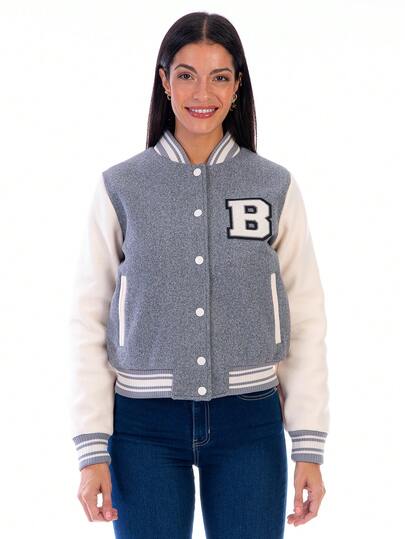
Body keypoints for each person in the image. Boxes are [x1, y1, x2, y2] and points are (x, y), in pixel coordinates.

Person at [69, 11, 329, 538]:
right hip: (142, 428)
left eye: (219, 76)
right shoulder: (122, 188)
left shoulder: (273, 186)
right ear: (164, 82)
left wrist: (308, 443)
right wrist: (91, 448)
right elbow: (88, 319)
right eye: (186, 75)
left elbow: (304, 316)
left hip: (250, 424)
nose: (202, 93)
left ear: (237, 86)